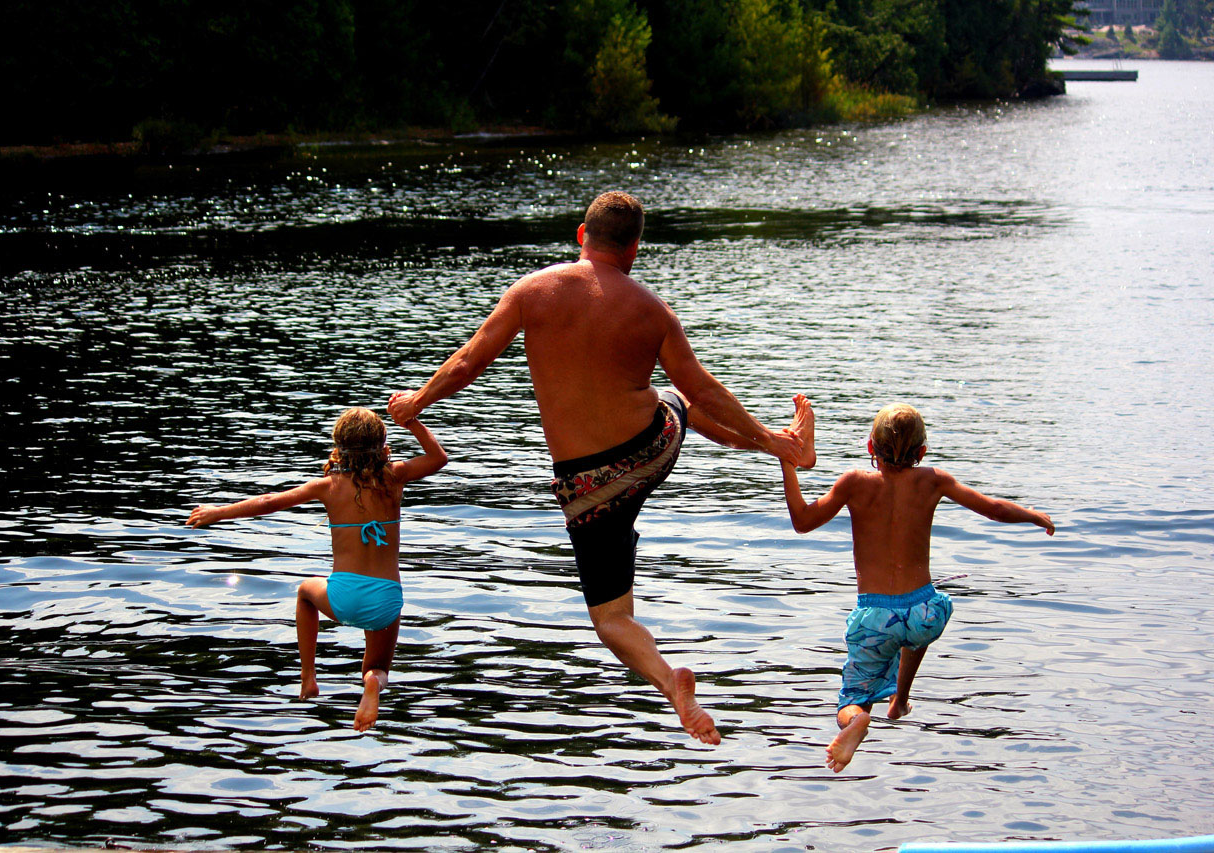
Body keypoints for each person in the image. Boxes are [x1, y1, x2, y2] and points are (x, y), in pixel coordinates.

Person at [387, 191, 810, 745]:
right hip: (649, 452)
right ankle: (781, 446)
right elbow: (700, 386)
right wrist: (762, 436)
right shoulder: (653, 311)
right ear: (634, 248)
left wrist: (416, 404)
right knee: (675, 400)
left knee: (611, 619)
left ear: (582, 235)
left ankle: (666, 679)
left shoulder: (533, 291)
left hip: (585, 488)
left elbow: (471, 359)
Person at [778, 398, 1054, 772]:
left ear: (870, 447)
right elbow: (992, 508)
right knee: (922, 621)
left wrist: (786, 462)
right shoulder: (933, 480)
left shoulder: (854, 483)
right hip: (923, 611)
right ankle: (900, 699)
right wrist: (1033, 515)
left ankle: (857, 720)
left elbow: (803, 521)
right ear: (923, 451)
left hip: (875, 616)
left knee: (853, 698)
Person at [187, 407, 448, 732]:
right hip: (386, 600)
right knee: (378, 667)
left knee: (305, 593)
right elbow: (439, 458)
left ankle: (309, 677)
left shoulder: (328, 486)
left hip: (342, 598)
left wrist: (218, 512)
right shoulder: (394, 477)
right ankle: (371, 686)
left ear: (338, 450)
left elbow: (269, 501)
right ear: (383, 447)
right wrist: (411, 421)